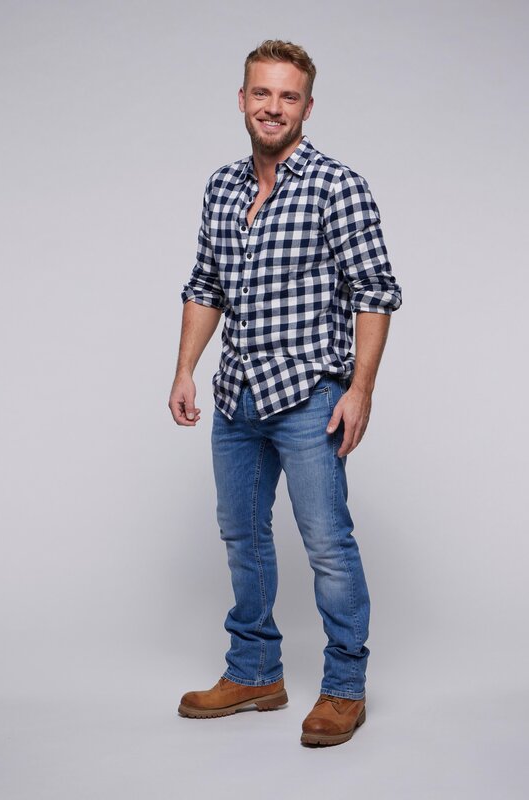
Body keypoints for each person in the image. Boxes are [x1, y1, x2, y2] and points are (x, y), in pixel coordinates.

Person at [168, 39, 402, 747]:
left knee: (327, 543)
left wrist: (360, 391)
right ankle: (255, 672)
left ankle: (345, 688)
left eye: (288, 96)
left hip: (309, 396)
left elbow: (375, 292)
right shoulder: (222, 187)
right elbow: (206, 283)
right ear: (242, 100)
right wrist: (184, 369)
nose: (273, 107)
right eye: (262, 93)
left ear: (307, 106)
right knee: (241, 535)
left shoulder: (337, 185)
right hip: (236, 395)